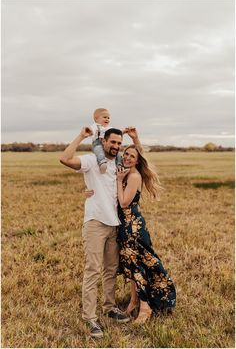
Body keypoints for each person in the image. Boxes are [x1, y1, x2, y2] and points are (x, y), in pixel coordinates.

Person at [59, 127, 141, 338]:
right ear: (103, 142)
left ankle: (109, 307)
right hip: (95, 222)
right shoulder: (90, 160)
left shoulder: (120, 163)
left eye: (118, 143)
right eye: (112, 142)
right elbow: (65, 159)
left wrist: (135, 139)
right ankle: (90, 318)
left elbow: (139, 160)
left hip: (114, 225)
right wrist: (81, 136)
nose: (115, 146)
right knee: (93, 270)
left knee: (111, 270)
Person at [116, 141, 176, 324]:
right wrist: (135, 139)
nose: (127, 157)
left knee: (138, 266)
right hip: (125, 225)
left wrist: (119, 181)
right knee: (131, 264)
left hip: (132, 227)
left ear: (136, 161)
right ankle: (134, 301)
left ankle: (145, 307)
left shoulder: (133, 176)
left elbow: (124, 203)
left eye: (131, 156)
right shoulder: (126, 171)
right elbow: (135, 153)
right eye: (125, 154)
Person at [89, 108, 123, 173]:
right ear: (96, 119)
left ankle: (119, 165)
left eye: (108, 118)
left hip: (108, 144)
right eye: (105, 117)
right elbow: (90, 132)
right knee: (99, 151)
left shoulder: (110, 128)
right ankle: (102, 163)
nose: (107, 119)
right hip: (97, 143)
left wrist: (123, 131)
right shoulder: (95, 126)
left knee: (117, 153)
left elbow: (116, 135)